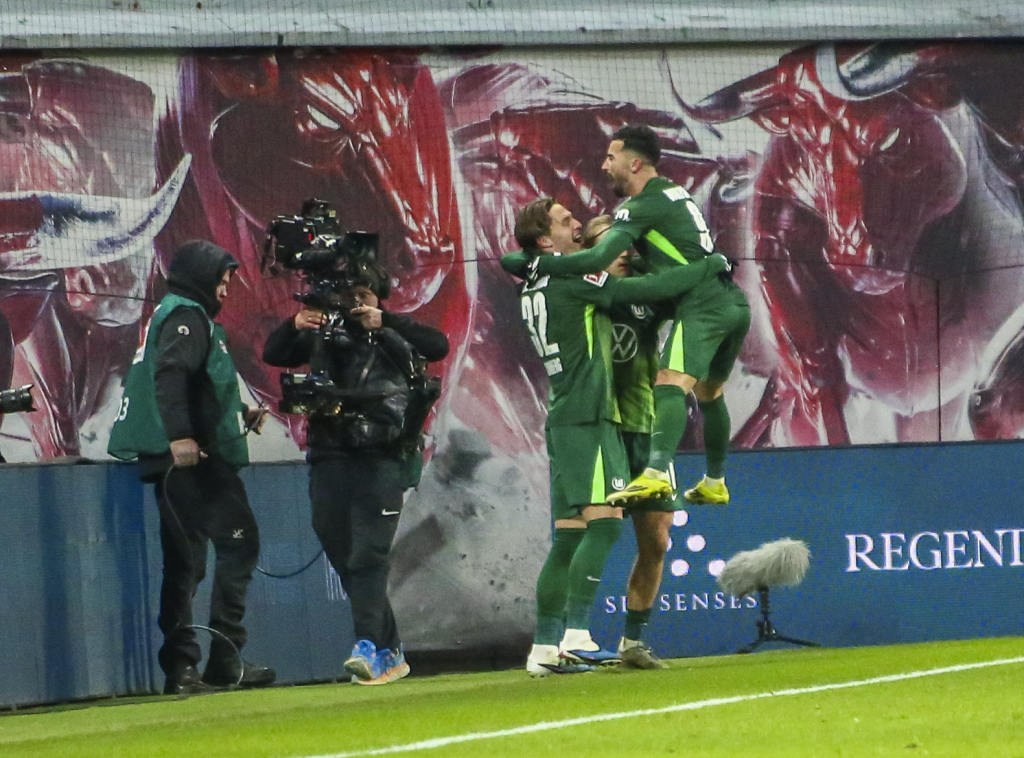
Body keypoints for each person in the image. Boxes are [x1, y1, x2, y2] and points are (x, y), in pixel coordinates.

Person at [502, 198, 729, 676]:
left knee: (571, 537)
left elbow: (516, 260)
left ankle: (544, 649)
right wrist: (709, 265)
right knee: (605, 525)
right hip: (593, 415)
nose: (576, 224)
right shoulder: (575, 280)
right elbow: (649, 287)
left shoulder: (537, 278)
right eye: (566, 222)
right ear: (544, 239)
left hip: (567, 415)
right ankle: (577, 637)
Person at [529, 124, 751, 507]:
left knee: (668, 383)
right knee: (709, 394)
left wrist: (542, 265)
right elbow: (667, 264)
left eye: (611, 158)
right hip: (733, 304)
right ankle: (715, 480)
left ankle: (655, 473)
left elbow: (599, 258)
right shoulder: (673, 192)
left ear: (634, 164)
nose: (604, 166)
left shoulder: (639, 205)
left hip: (703, 305)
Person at [262, 260, 449, 686]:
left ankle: (366, 645)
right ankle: (389, 648)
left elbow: (437, 345)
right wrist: (296, 323)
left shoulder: (394, 333)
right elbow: (274, 354)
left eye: (363, 296)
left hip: (382, 455)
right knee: (339, 547)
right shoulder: (326, 338)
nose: (355, 305)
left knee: (368, 555)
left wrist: (385, 322)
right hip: (329, 454)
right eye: (348, 298)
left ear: (379, 297)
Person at [108, 240, 276, 695]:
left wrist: (239, 412)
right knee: (237, 545)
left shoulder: (173, 313)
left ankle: (183, 669)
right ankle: (224, 658)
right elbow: (171, 375)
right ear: (201, 274)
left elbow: (191, 383)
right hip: (193, 459)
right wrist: (181, 436)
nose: (226, 287)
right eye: (222, 277)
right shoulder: (187, 316)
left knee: (185, 562)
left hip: (178, 458)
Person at [584, 215, 673, 669]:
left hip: (646, 428)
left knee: (656, 541)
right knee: (594, 532)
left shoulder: (645, 293)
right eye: (609, 243)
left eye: (626, 244)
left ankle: (633, 642)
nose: (621, 251)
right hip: (601, 430)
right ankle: (568, 636)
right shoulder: (578, 294)